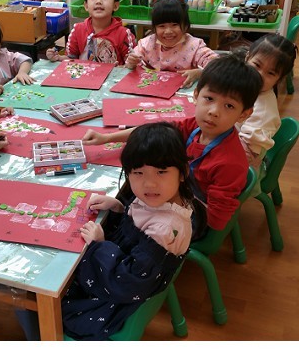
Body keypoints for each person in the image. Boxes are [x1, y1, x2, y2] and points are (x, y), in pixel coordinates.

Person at [16, 122, 199, 340]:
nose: (149, 184)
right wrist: (119, 208)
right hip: (127, 283)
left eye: (161, 172)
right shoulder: (166, 198)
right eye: (138, 172)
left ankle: (42, 337)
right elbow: (139, 232)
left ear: (182, 172)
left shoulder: (164, 228)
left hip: (114, 301)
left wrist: (100, 246)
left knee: (34, 295)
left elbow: (127, 281)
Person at [81, 53, 262, 237]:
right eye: (209, 98)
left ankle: (120, 225)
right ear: (196, 95)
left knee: (130, 213)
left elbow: (215, 222)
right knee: (134, 183)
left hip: (190, 222)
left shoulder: (230, 163)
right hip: (173, 195)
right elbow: (153, 132)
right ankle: (123, 213)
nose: (214, 111)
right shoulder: (195, 127)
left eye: (229, 106)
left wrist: (168, 199)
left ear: (244, 114)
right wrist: (106, 138)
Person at [125, 0, 218, 88]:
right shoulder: (146, 44)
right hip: (152, 89)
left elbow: (217, 65)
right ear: (154, 28)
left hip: (183, 91)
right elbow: (131, 63)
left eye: (174, 25)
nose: (168, 31)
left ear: (185, 26)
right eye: (162, 26)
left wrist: (200, 73)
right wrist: (132, 63)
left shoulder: (194, 46)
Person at [237, 34, 298, 170]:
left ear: (279, 79)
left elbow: (246, 154)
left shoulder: (264, 111)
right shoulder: (243, 81)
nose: (260, 75)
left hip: (241, 168)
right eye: (257, 65)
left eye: (270, 73)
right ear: (247, 58)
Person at [46, 0, 136, 65]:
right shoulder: (78, 30)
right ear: (86, 6)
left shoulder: (124, 34)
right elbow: (71, 58)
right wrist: (58, 58)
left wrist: (130, 64)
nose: (98, 1)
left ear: (115, 6)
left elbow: (131, 65)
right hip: (84, 75)